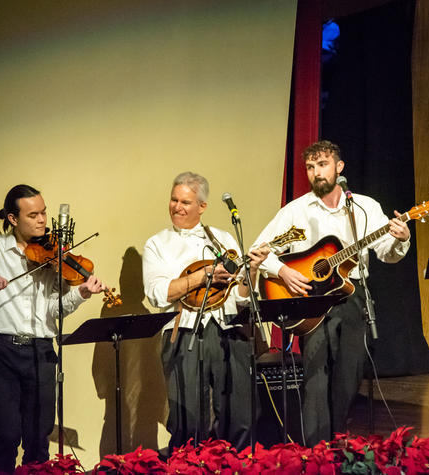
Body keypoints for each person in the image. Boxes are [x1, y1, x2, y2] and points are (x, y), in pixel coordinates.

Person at [251, 140, 411, 446]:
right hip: (312, 303)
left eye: (322, 165)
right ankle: (314, 450)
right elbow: (259, 249)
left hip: (352, 298)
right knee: (315, 374)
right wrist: (283, 272)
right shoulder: (295, 211)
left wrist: (400, 239)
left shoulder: (365, 207)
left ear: (339, 168)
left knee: (349, 375)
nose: (315, 173)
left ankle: (336, 442)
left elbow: (385, 252)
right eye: (310, 167)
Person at [0, 184, 107, 473]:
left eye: (44, 212)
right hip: (1, 351)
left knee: (38, 437)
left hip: (41, 350)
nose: (43, 220)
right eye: (33, 215)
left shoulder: (51, 254)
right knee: (5, 436)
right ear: (13, 219)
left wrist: (80, 294)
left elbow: (54, 311)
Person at [142, 171, 269, 451]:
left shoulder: (223, 240)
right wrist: (203, 276)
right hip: (185, 332)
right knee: (188, 420)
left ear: (202, 207)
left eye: (185, 202)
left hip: (228, 330)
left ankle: (238, 466)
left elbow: (239, 297)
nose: (177, 207)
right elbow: (157, 294)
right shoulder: (157, 244)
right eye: (174, 200)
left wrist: (254, 271)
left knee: (241, 414)